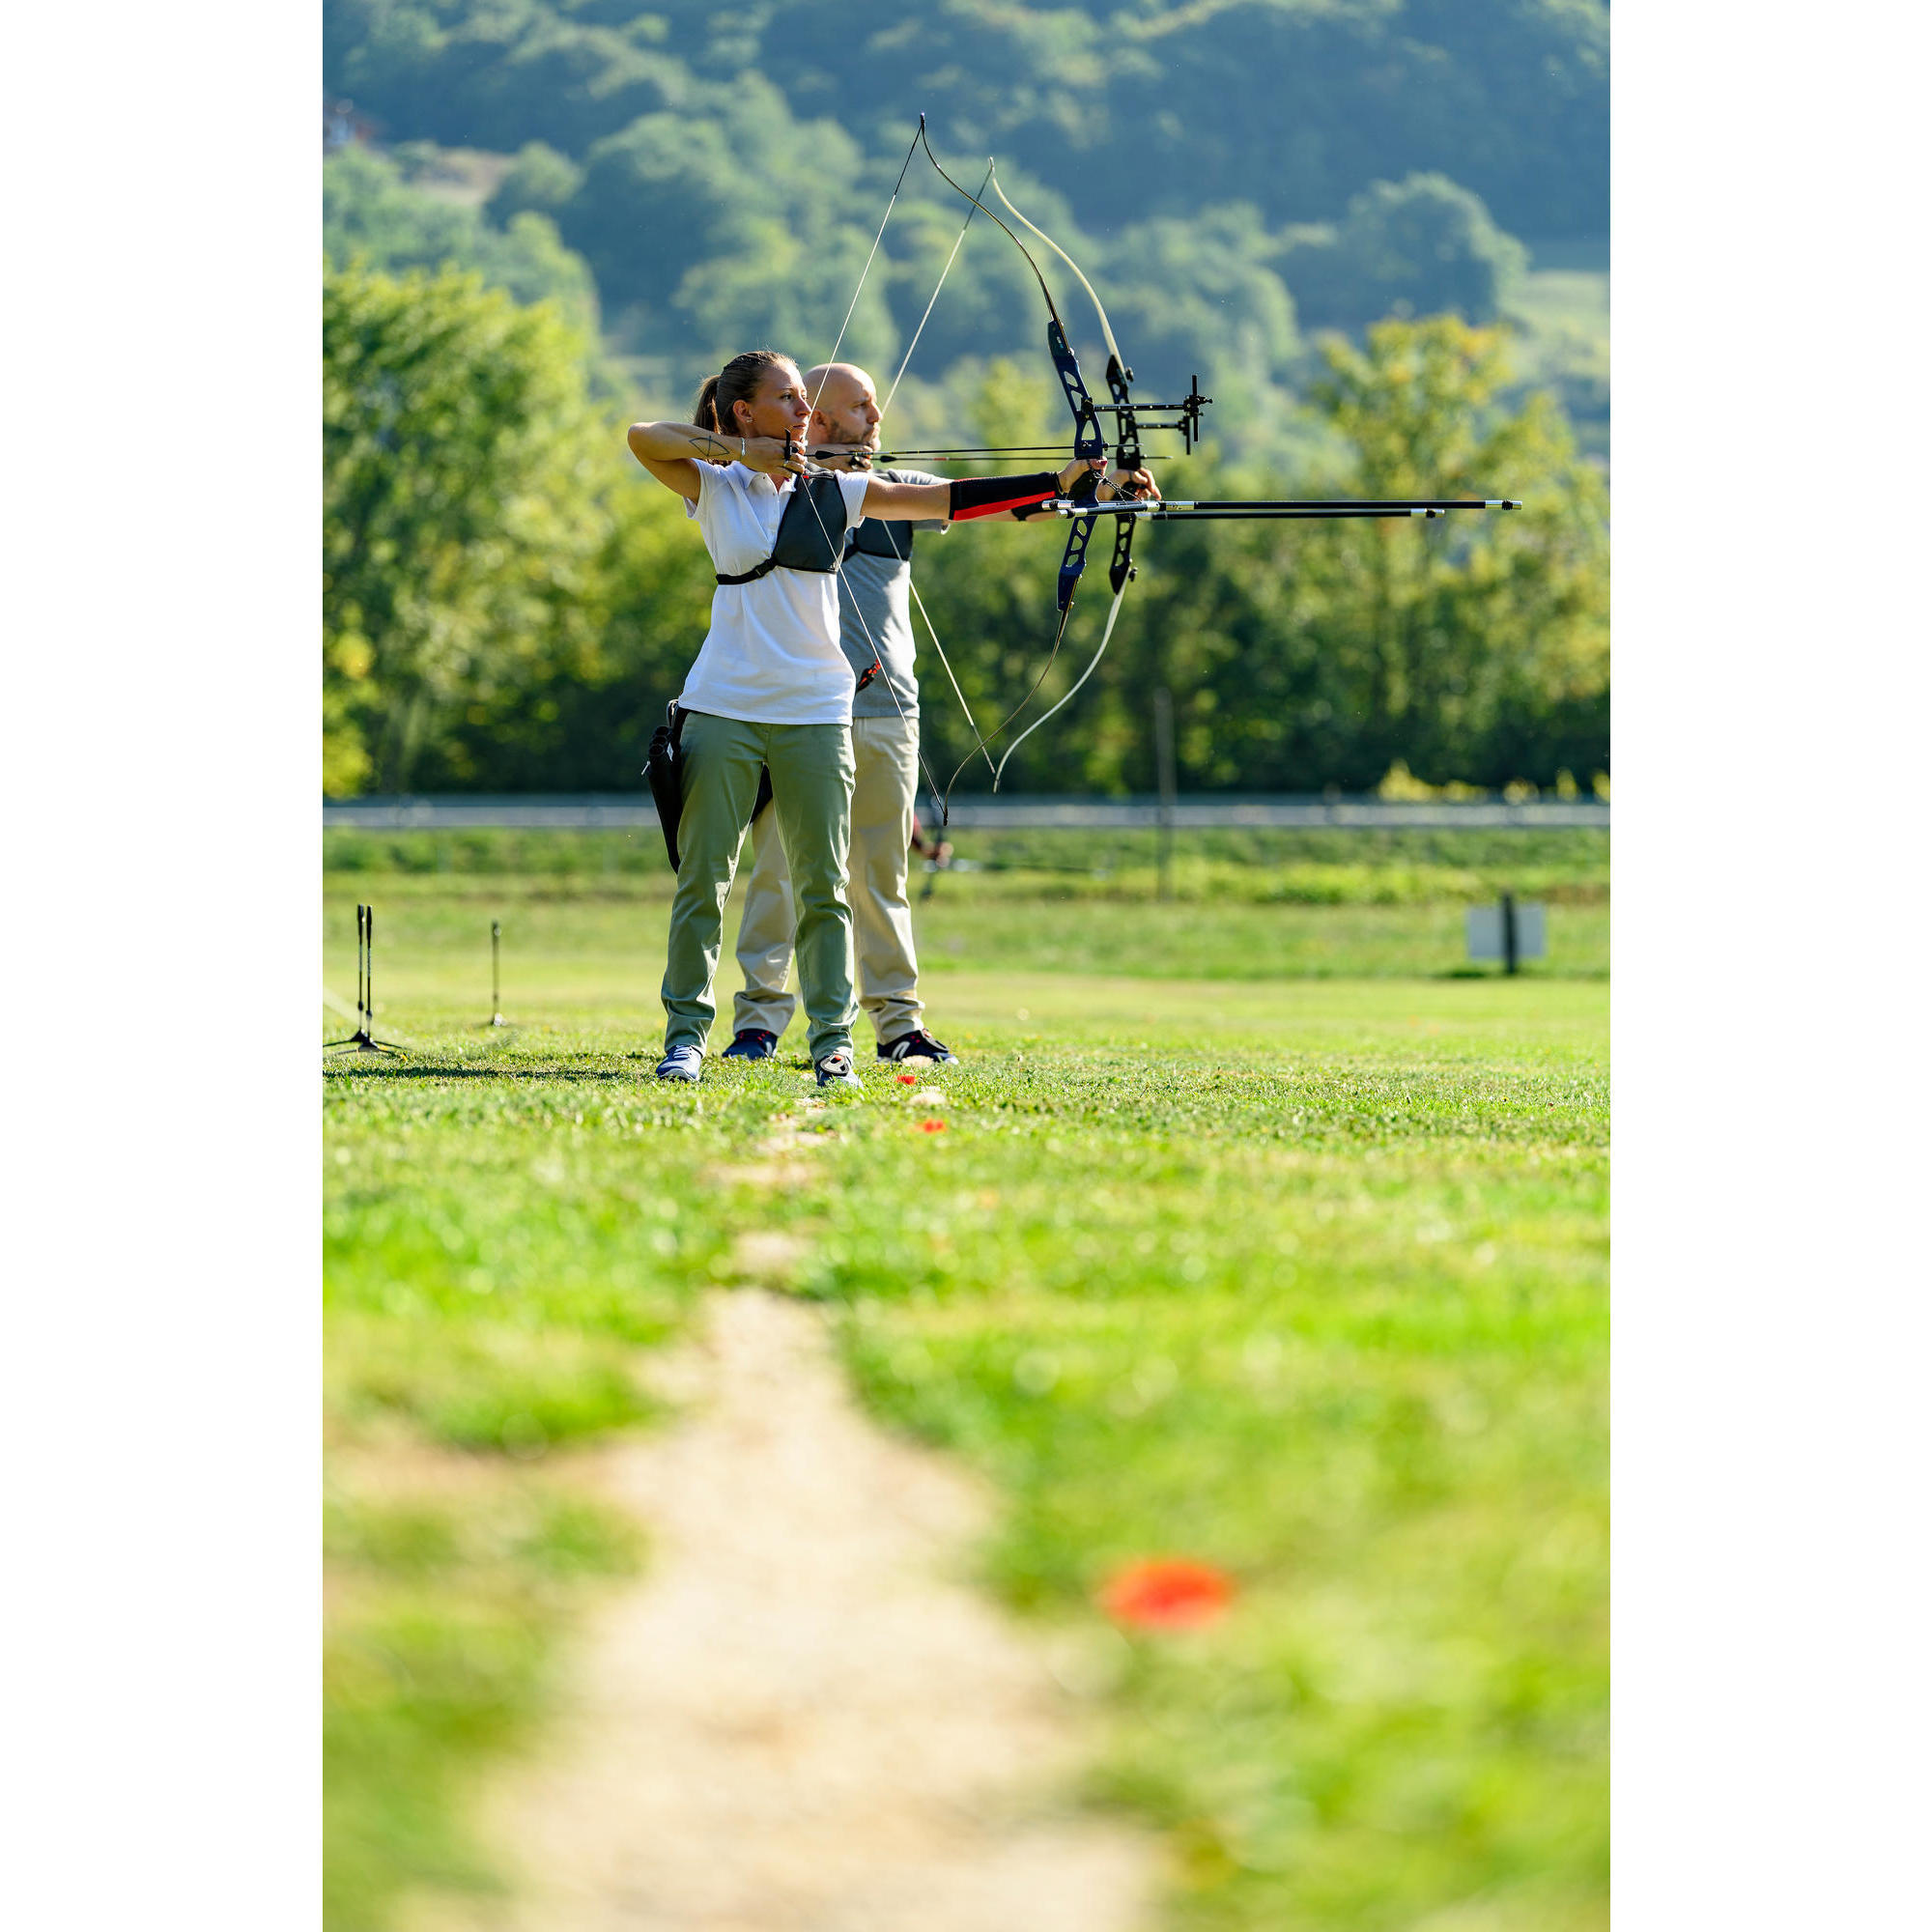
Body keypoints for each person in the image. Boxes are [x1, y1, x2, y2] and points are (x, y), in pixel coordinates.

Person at [625, 349, 1151, 1089]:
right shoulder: (714, 486)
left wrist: (1066, 482)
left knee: (823, 886)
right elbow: (643, 436)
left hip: (815, 709)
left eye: (808, 403)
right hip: (725, 704)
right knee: (704, 881)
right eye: (788, 399)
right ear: (746, 411)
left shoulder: (839, 491)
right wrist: (737, 453)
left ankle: (833, 1040)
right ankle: (685, 1036)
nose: (804, 411)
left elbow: (952, 500)